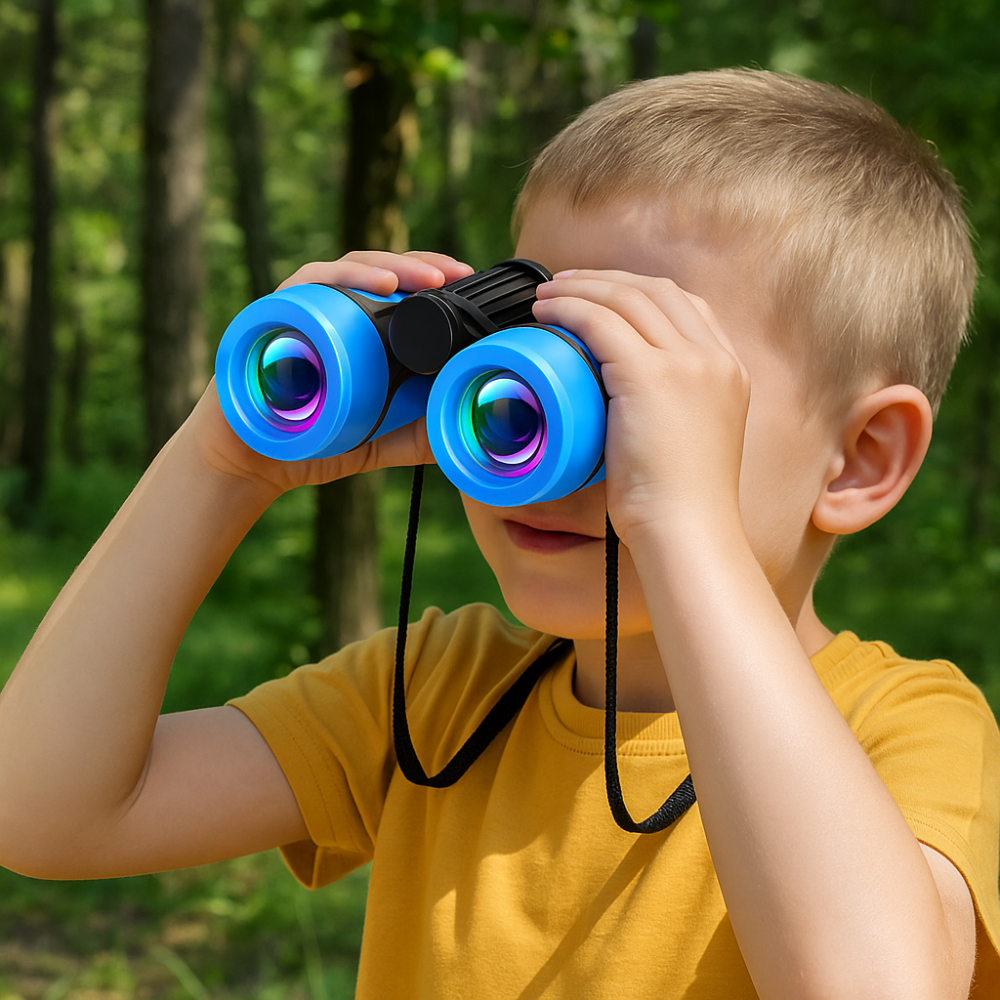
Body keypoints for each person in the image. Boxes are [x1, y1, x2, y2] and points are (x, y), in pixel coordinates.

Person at [0, 68, 998, 999]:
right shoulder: (434, 698)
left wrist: (677, 522)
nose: (540, 445)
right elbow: (44, 810)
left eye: (637, 389)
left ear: (859, 458)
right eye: (523, 368)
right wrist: (219, 463)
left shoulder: (907, 731)